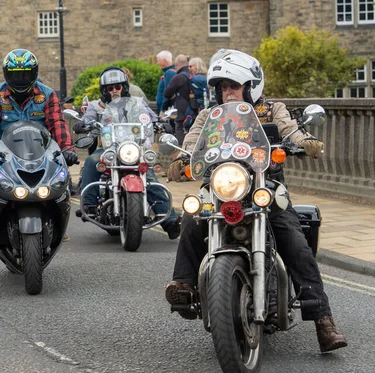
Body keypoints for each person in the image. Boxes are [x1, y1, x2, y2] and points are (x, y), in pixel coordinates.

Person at [165, 50, 347, 353]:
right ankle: (183, 283)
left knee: (294, 240)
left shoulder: (272, 109)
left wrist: (304, 142)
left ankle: (323, 320)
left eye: (233, 86)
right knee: (192, 215)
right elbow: (191, 142)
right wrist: (180, 158)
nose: (227, 93)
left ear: (250, 86)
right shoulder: (208, 116)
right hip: (221, 187)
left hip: (266, 185)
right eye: (222, 87)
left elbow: (290, 128)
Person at [0, 48, 77, 245]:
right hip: (4, 153)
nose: (20, 79)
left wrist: (67, 149)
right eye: (15, 75)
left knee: (63, 182)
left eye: (25, 74)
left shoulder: (48, 95)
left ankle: (58, 224)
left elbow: (57, 124)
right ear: (6, 74)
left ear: (34, 73)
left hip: (42, 152)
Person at [76, 66, 181, 240]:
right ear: (104, 90)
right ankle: (89, 204)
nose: (114, 91)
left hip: (134, 149)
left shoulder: (138, 103)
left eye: (118, 87)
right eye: (110, 88)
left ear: (124, 87)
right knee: (92, 160)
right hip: (108, 149)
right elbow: (88, 120)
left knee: (150, 175)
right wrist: (84, 125)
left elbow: (151, 118)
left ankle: (169, 220)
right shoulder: (96, 106)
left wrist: (161, 123)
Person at [163, 54, 193, 143]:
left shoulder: (178, 77)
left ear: (176, 64)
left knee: (180, 134)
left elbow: (167, 93)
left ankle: (182, 153)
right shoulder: (192, 74)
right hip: (194, 109)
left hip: (182, 111)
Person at [155, 51, 176, 115]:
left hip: (165, 112)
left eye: (158, 60)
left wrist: (163, 110)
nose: (157, 63)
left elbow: (168, 94)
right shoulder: (168, 73)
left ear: (164, 60)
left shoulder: (169, 73)